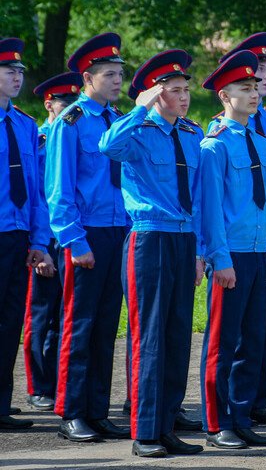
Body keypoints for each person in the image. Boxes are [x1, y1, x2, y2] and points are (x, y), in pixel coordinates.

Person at [99, 50, 205, 458]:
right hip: (149, 238)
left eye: (185, 89)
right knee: (151, 336)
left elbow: (196, 196)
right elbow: (108, 146)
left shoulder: (192, 135)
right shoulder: (138, 132)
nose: (183, 97)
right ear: (154, 96)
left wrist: (199, 250)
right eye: (173, 91)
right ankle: (145, 433)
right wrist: (139, 110)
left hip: (183, 239)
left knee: (178, 335)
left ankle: (167, 425)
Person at [46, 33, 129, 442]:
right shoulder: (71, 121)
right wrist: (74, 241)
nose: (118, 81)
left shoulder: (118, 121)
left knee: (106, 326)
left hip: (119, 231)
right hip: (87, 233)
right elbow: (58, 189)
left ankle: (98, 409)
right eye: (110, 74)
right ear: (87, 78)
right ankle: (71, 410)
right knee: (79, 325)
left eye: (120, 74)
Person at [199, 50, 266, 449]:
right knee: (223, 339)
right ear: (223, 96)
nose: (253, 94)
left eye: (255, 87)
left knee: (254, 338)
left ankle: (242, 414)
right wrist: (220, 258)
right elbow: (210, 208)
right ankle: (218, 423)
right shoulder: (213, 146)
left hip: (260, 251)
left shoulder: (264, 145)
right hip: (230, 254)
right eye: (243, 88)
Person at [23, 72, 81, 413]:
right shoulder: (42, 140)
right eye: (65, 103)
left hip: (76, 234)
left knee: (67, 315)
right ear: (50, 105)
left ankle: (61, 383)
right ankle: (39, 385)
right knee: (42, 314)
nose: (71, 109)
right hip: (50, 238)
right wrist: (42, 244)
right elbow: (42, 197)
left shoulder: (73, 136)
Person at [0, 38, 50, 430]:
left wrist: (38, 240)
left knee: (10, 320)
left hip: (17, 236)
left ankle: (2, 403)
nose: (17, 77)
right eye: (8, 71)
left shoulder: (25, 124)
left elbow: (35, 189)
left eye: (19, 71)